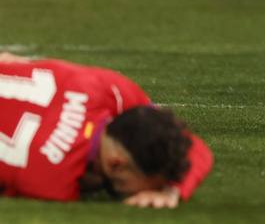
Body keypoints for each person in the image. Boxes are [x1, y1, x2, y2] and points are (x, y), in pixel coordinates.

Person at [0, 53, 212, 206]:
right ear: (116, 164)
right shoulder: (55, 182)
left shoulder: (107, 87)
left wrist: (173, 189)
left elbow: (188, 145)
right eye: (155, 186)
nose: (157, 190)